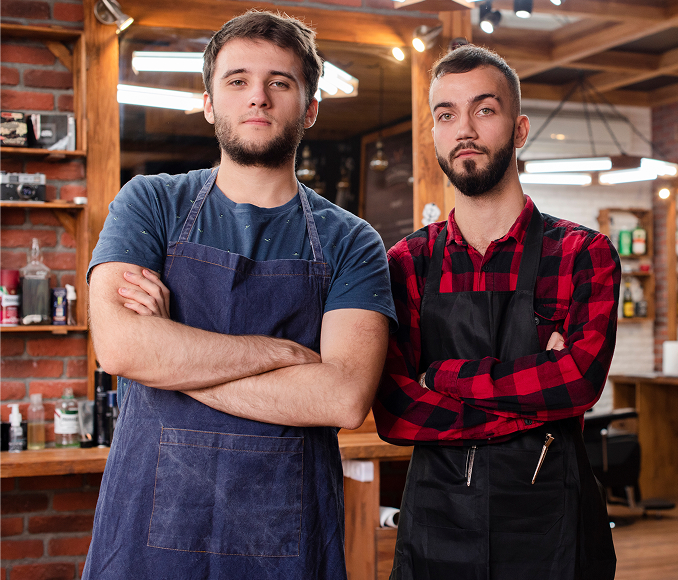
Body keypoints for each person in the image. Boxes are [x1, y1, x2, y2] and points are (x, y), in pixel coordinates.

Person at [82, 11, 396, 580]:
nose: (258, 97)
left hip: (286, 540)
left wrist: (170, 360)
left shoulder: (351, 241)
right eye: (237, 81)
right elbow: (123, 349)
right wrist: (284, 354)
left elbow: (343, 399)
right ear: (209, 103)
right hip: (145, 537)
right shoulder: (150, 204)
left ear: (311, 108)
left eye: (280, 82)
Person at [373, 44, 619, 580]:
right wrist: (536, 398)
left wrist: (441, 377)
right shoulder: (407, 263)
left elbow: (578, 383)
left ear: (520, 128)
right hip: (437, 528)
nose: (464, 128)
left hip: (554, 529)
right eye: (446, 114)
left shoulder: (582, 253)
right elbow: (395, 410)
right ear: (434, 134)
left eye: (484, 110)